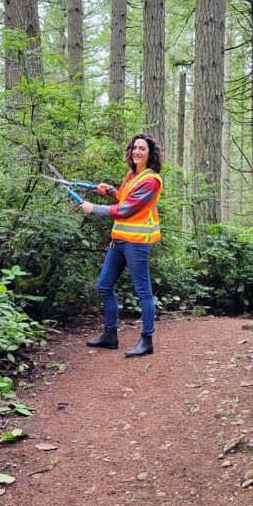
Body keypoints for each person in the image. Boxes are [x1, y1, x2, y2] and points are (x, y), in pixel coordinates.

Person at [81, 134, 163, 358]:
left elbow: (127, 210)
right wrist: (110, 192)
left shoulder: (151, 180)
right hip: (119, 240)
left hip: (136, 244)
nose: (137, 152)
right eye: (135, 148)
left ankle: (147, 341)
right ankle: (110, 336)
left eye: (142, 149)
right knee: (104, 285)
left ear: (150, 154)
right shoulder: (132, 175)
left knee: (143, 291)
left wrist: (94, 208)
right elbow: (124, 199)